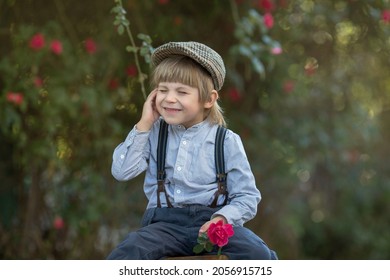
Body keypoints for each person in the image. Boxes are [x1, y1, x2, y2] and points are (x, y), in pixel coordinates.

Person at [107, 41, 277, 260]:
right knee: (128, 251)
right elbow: (121, 172)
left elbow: (247, 195)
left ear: (208, 99)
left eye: (182, 91)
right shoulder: (151, 133)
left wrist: (223, 218)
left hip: (213, 227)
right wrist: (144, 123)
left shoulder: (226, 141)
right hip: (163, 228)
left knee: (259, 254)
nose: (169, 98)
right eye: (162, 90)